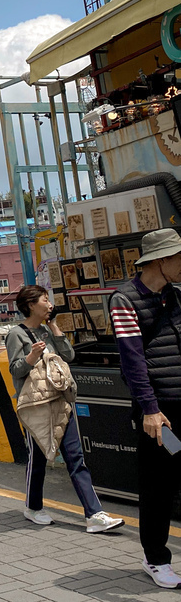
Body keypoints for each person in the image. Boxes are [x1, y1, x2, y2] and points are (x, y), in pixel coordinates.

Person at [6, 285, 124, 534]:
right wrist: (31, 357)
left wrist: (55, 328)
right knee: (37, 459)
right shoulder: (17, 334)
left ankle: (94, 515)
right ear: (30, 305)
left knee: (75, 457)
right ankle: (33, 507)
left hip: (61, 402)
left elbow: (69, 356)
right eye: (44, 300)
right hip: (37, 405)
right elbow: (15, 370)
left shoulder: (47, 331)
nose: (49, 304)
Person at [109, 227, 181, 589]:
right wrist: (150, 409)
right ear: (162, 260)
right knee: (160, 484)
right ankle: (155, 558)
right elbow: (132, 361)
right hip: (161, 415)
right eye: (179, 257)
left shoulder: (175, 296)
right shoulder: (124, 300)